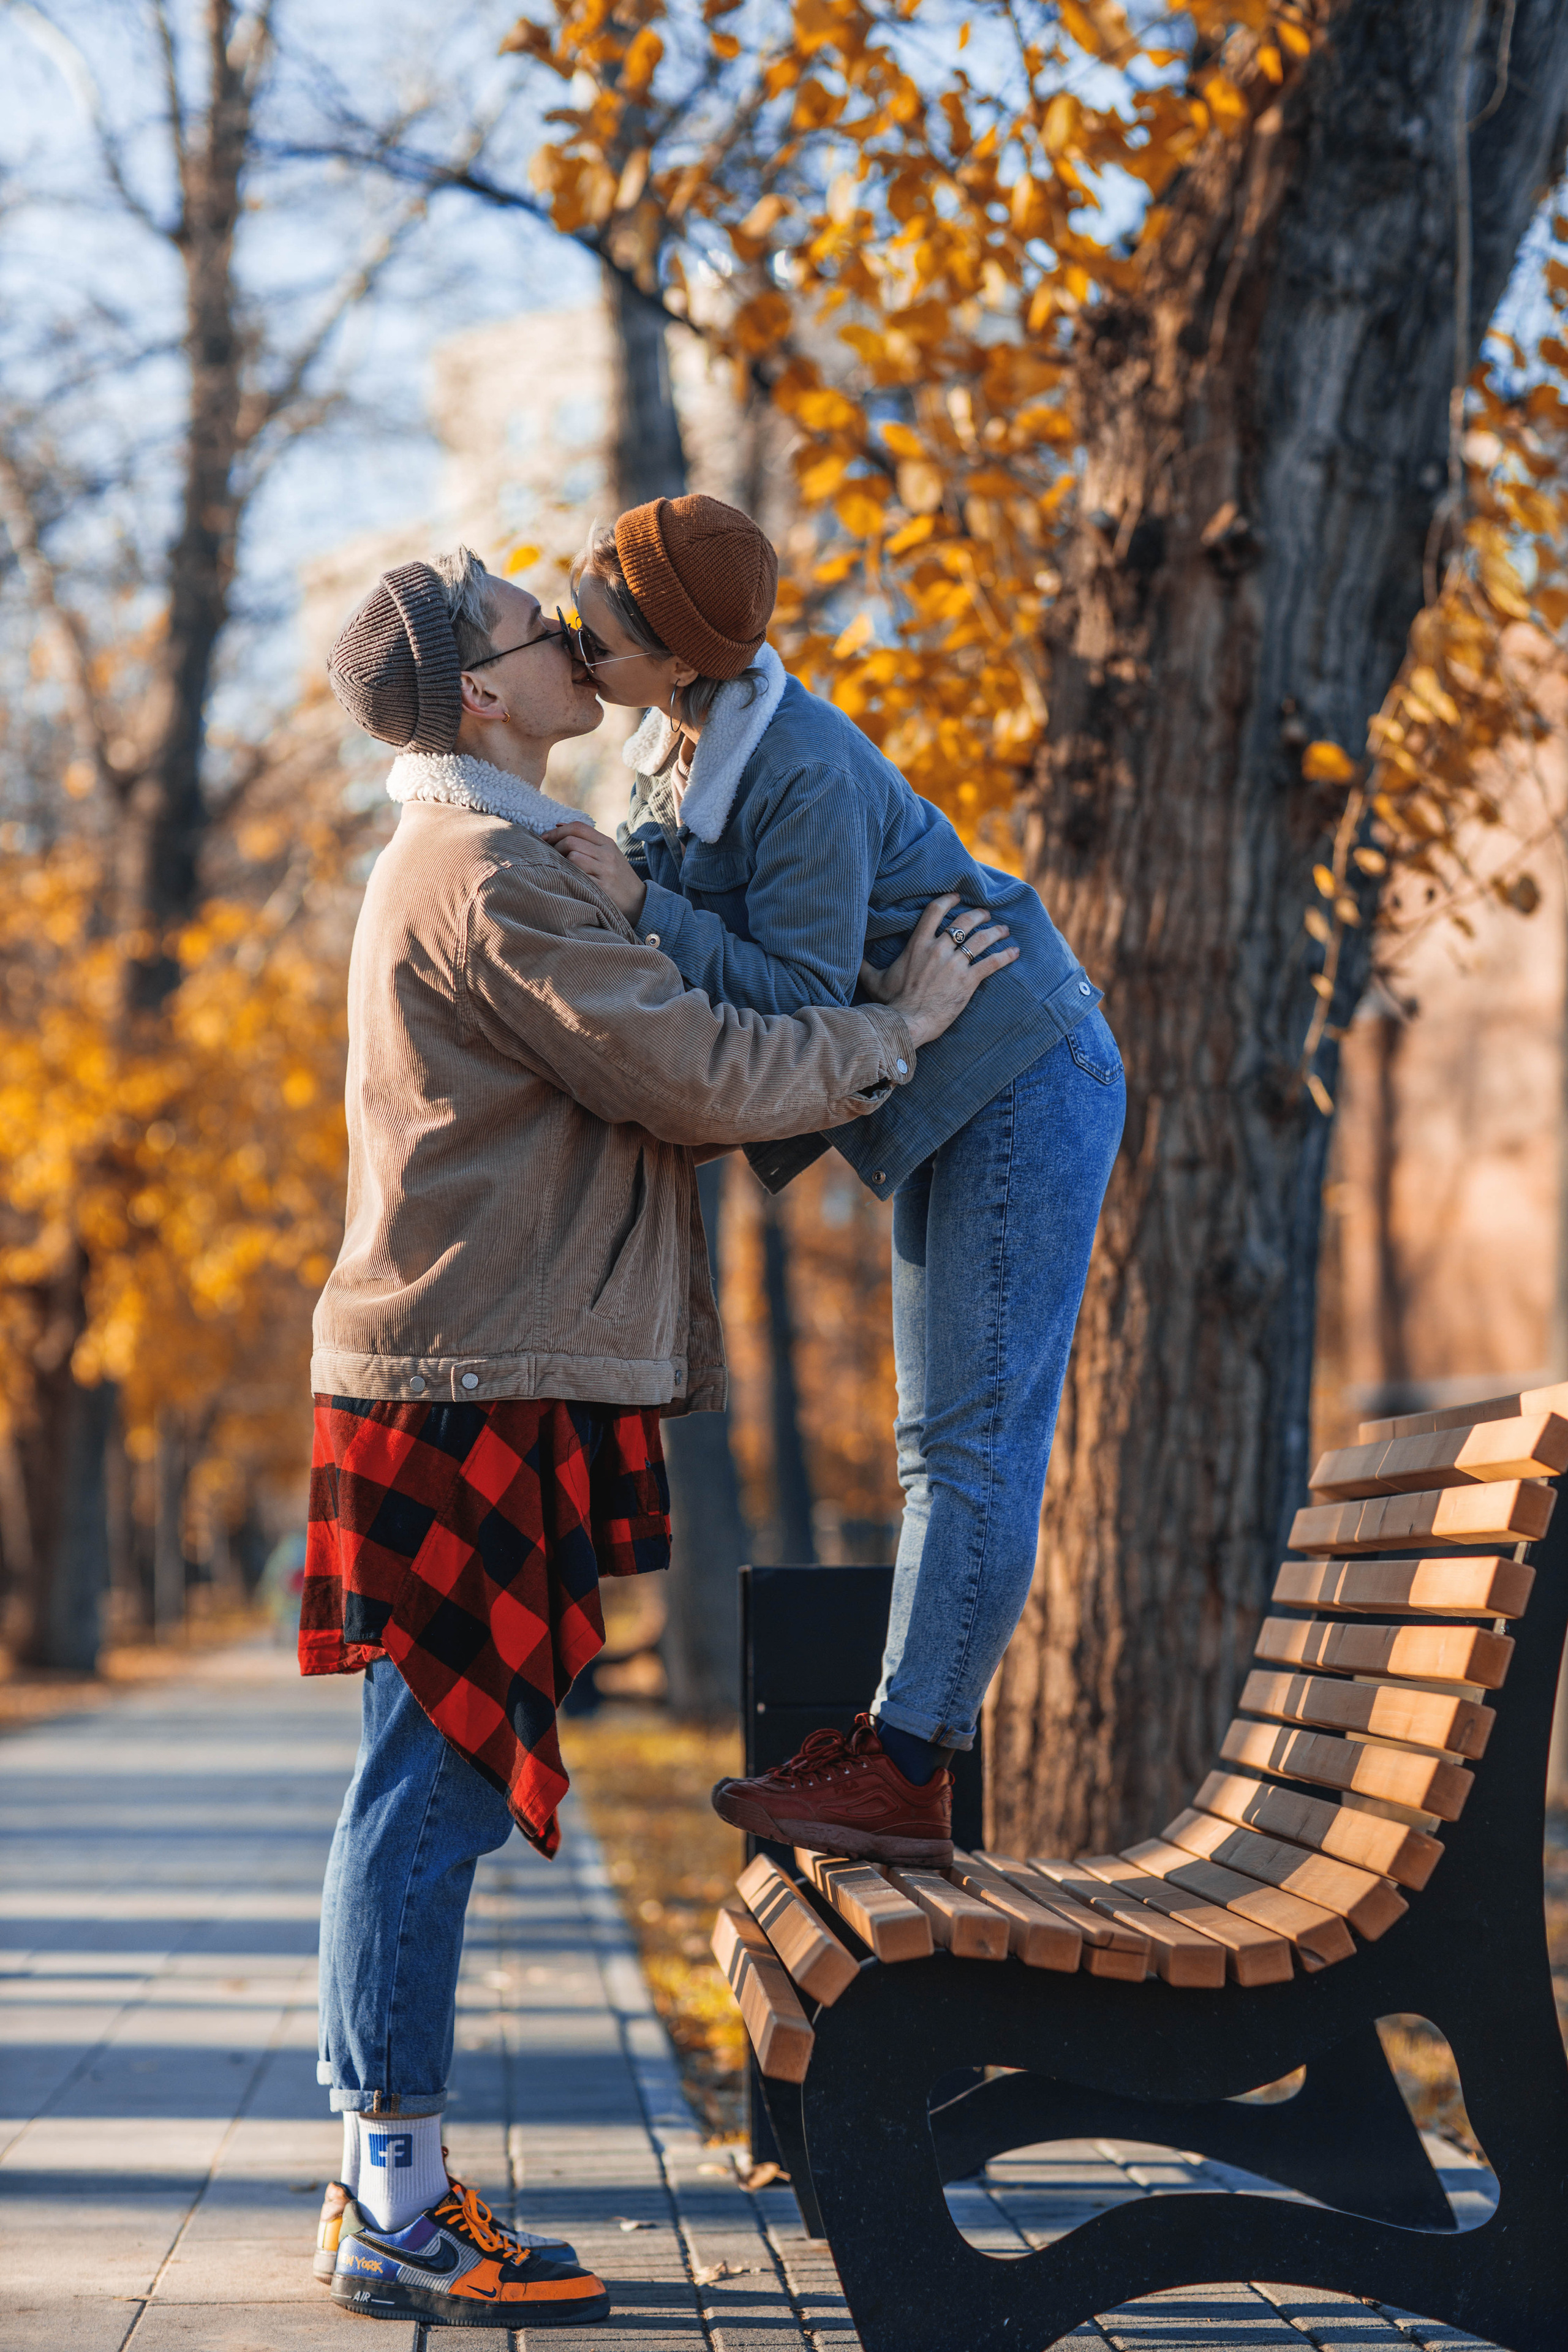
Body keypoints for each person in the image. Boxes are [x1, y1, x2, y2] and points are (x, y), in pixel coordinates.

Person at [302, 546, 1015, 2328]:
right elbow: (692, 1070)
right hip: (471, 1379)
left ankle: (379, 2181)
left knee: (419, 1787)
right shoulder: (487, 876)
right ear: (481, 692)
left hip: (472, 1364)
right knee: (430, 1794)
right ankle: (395, 2203)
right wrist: (899, 1028)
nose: (570, 639)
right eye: (531, 625)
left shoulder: (489, 855)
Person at [546, 493, 1125, 1868]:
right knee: (938, 1445)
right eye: (567, 614)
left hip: (1018, 1073)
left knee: (968, 1445)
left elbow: (798, 1000)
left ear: (679, 658)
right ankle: (894, 1747)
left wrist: (643, 907)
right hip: (948, 1091)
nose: (571, 643)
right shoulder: (676, 748)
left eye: (594, 633)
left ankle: (906, 1766)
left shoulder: (795, 768)